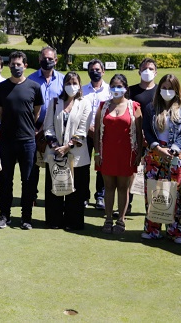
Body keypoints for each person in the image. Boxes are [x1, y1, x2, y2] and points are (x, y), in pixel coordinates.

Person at [0, 51, 43, 230]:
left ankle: (26, 218)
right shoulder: (1, 88)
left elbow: (36, 112)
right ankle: (4, 215)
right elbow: (0, 113)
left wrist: (27, 126)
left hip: (28, 141)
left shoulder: (34, 87)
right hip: (6, 140)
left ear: (25, 66)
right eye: (13, 64)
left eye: (19, 64)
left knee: (28, 180)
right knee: (6, 179)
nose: (16, 67)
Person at [141, 74, 181, 243]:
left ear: (176, 90)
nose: (167, 91)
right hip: (155, 155)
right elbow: (147, 130)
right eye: (164, 87)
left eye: (170, 88)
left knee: (175, 194)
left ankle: (174, 230)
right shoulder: (150, 108)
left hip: (176, 156)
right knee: (154, 192)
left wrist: (175, 148)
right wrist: (157, 147)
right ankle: (153, 228)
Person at [94, 74, 142, 234]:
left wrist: (139, 153)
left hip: (127, 154)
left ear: (126, 88)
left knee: (123, 188)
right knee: (108, 187)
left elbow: (139, 133)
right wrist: (97, 153)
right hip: (107, 153)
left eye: (120, 86)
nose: (116, 89)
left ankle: (121, 220)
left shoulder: (134, 106)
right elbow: (97, 132)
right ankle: (108, 219)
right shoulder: (103, 106)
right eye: (113, 86)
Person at [43, 72, 91, 230]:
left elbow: (83, 129)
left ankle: (73, 222)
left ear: (79, 85)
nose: (72, 85)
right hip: (55, 153)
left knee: (75, 192)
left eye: (75, 82)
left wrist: (67, 146)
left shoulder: (85, 103)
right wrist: (56, 146)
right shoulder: (55, 102)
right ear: (63, 85)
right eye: (69, 82)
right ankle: (54, 220)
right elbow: (48, 126)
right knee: (55, 187)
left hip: (76, 155)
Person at [28, 47, 65, 205]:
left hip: (56, 128)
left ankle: (55, 196)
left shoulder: (63, 80)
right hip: (34, 127)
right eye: (44, 58)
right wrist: (35, 127)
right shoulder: (30, 79)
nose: (47, 61)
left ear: (56, 60)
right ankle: (31, 195)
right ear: (39, 60)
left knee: (54, 162)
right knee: (32, 165)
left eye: (50, 59)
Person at [123, 57, 158, 216]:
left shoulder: (160, 91)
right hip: (133, 138)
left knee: (153, 174)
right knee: (131, 172)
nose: (147, 72)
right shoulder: (131, 91)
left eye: (151, 69)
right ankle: (126, 205)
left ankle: (153, 208)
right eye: (144, 68)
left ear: (156, 72)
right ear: (139, 71)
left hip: (154, 139)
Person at [82, 59, 110, 210]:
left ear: (103, 71)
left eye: (98, 70)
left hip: (103, 134)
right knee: (84, 166)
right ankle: (84, 196)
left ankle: (100, 196)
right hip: (85, 134)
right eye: (92, 70)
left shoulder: (109, 90)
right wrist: (88, 128)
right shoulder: (82, 90)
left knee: (101, 166)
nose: (95, 72)